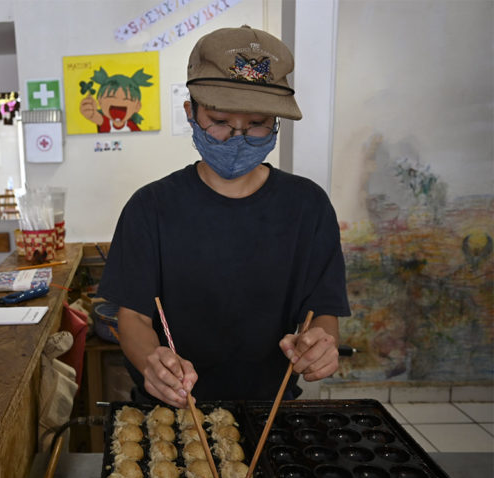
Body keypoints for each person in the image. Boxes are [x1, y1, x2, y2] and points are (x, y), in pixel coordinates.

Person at [98, 26, 351, 409]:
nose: (237, 138)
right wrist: (153, 363)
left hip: (271, 410)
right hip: (172, 409)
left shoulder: (308, 207)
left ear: (276, 122)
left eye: (257, 124)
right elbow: (132, 316)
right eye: (219, 121)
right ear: (191, 113)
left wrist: (318, 344)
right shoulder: (150, 208)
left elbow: (323, 311)